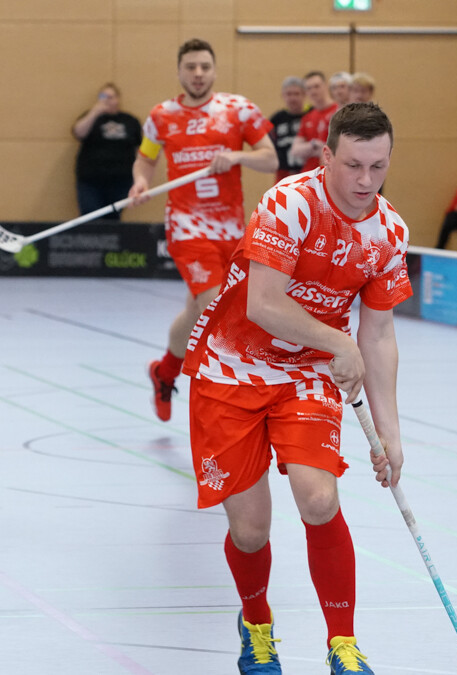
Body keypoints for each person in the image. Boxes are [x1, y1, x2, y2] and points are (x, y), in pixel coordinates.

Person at [182, 101, 407, 675]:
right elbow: (263, 304)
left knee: (319, 497)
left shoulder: (389, 232)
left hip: (306, 375)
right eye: (353, 164)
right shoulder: (289, 203)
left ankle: (344, 645)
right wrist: (340, 343)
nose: (365, 181)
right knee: (251, 530)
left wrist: (390, 433)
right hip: (230, 367)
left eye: (378, 167)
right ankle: (256, 622)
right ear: (326, 154)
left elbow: (378, 335)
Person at [129, 39, 277, 422]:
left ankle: (164, 372)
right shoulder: (161, 116)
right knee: (217, 308)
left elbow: (270, 158)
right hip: (187, 227)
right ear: (179, 70)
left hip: (230, 228)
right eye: (191, 66)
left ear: (214, 70)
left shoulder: (238, 110)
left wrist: (238, 155)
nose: (198, 73)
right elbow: (145, 161)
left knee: (196, 309)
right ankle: (219, 401)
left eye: (204, 67)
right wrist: (140, 183)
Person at [71, 83, 141, 218]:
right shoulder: (91, 117)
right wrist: (95, 112)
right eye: (103, 96)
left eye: (111, 97)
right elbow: (78, 133)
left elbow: (141, 148)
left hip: (121, 180)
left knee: (113, 219)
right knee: (90, 216)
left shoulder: (130, 121)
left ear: (118, 98)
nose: (107, 100)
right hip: (91, 180)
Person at [290, 72, 339, 174]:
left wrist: (315, 149)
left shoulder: (339, 112)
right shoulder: (307, 117)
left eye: (316, 86)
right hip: (310, 174)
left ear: (326, 86)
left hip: (331, 172)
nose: (313, 91)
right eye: (309, 88)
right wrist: (314, 144)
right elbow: (295, 150)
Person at [268, 76, 308, 183]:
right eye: (289, 94)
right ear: (283, 96)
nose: (293, 98)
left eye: (296, 94)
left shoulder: (311, 115)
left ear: (304, 95)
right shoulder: (276, 119)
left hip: (308, 173)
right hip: (283, 174)